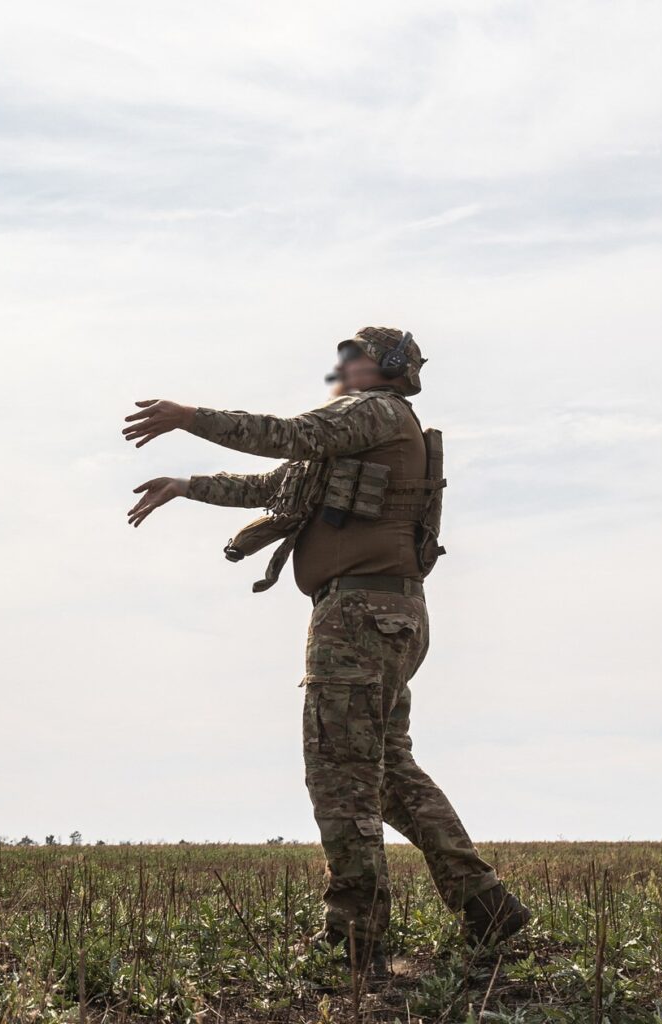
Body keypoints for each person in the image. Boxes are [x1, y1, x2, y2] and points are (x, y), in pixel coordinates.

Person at [120, 328, 529, 970]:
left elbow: (285, 435)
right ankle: (486, 906)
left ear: (389, 368)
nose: (343, 365)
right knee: (389, 774)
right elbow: (278, 483)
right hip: (392, 615)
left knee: (341, 775)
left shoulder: (373, 412)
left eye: (356, 355)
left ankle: (356, 937)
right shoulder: (373, 429)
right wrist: (185, 484)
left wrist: (188, 417)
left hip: (359, 618)